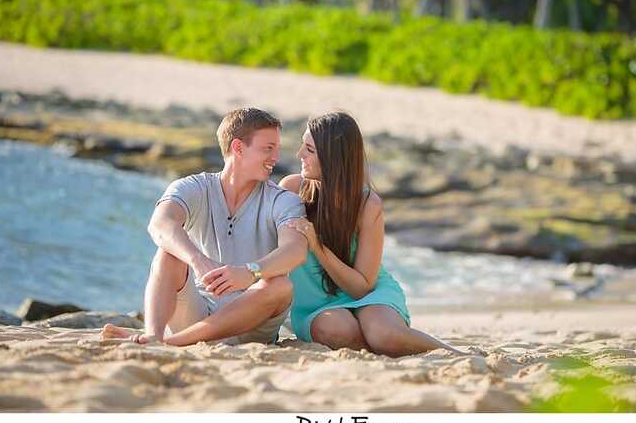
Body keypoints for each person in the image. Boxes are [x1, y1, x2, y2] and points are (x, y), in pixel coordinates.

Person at [101, 107, 308, 346]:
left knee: (280, 285)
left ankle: (171, 342)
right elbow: (160, 223)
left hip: (251, 323)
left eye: (276, 149)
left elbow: (295, 250)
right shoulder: (194, 187)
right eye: (268, 149)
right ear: (238, 148)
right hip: (197, 311)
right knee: (168, 254)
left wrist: (250, 272)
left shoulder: (282, 200)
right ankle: (154, 335)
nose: (275, 158)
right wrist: (197, 260)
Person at [279, 112, 463, 357]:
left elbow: (362, 289)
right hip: (315, 305)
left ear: (334, 158)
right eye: (303, 146)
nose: (299, 154)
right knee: (338, 330)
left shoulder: (367, 204)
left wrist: (317, 245)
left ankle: (458, 355)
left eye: (310, 150)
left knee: (384, 334)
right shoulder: (291, 190)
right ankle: (382, 347)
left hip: (367, 291)